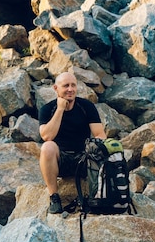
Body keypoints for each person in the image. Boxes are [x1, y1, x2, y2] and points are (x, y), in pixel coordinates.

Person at [38, 72, 106, 214]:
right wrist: (60, 109)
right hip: (61, 161)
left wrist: (94, 149)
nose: (70, 89)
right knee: (47, 147)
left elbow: (100, 135)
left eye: (73, 85)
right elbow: (47, 136)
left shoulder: (86, 106)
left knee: (100, 147)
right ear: (56, 88)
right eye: (66, 86)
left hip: (84, 159)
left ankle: (95, 196)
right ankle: (54, 197)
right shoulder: (46, 109)